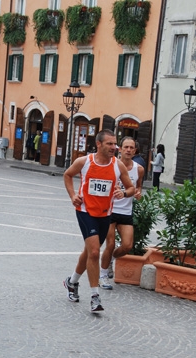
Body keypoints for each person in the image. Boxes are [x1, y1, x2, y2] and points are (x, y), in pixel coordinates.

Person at [63, 129, 135, 312]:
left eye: (115, 144)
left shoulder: (117, 165)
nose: (114, 147)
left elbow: (131, 188)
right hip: (85, 211)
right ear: (99, 144)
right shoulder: (84, 162)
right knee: (95, 252)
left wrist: (123, 193)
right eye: (110, 144)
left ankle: (72, 282)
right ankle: (95, 296)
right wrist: (72, 195)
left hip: (105, 215)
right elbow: (67, 175)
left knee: (89, 253)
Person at [99, 137, 144, 289]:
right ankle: (103, 276)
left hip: (126, 210)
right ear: (120, 148)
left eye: (131, 148)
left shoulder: (139, 169)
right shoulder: (112, 165)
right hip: (110, 210)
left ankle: (111, 259)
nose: (128, 150)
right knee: (110, 244)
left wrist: (138, 194)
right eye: (126, 147)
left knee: (127, 246)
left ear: (135, 150)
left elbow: (138, 187)